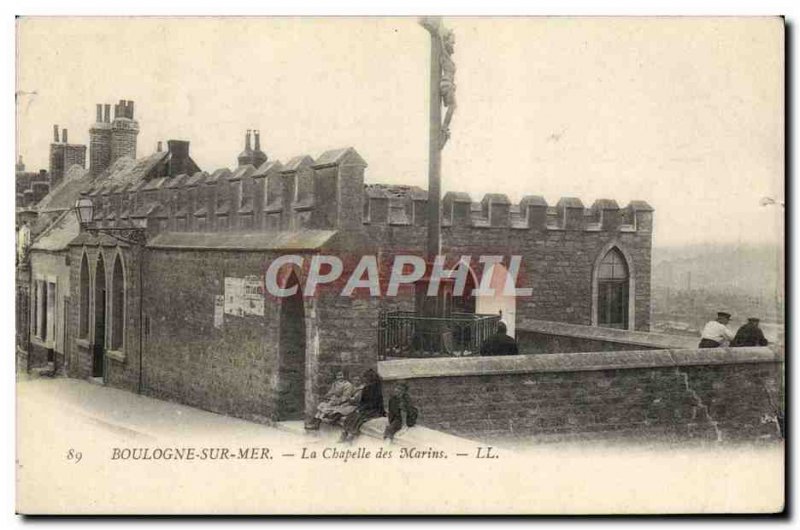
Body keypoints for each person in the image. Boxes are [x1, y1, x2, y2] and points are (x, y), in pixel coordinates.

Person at [339, 369, 385, 442]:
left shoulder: (376, 388)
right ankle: (345, 432)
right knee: (352, 415)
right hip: (366, 407)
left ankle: (352, 434)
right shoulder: (366, 388)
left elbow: (375, 403)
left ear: (370, 378)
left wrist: (362, 408)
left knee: (360, 417)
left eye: (365, 377)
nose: (364, 379)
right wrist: (359, 408)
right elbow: (363, 401)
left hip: (375, 409)